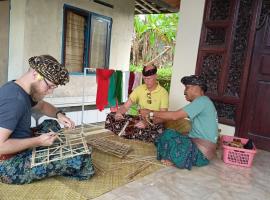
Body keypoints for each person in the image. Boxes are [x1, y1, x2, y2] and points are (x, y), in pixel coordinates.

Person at [0, 55, 94, 184]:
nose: (50, 92)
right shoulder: (14, 100)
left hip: (19, 144)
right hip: (7, 165)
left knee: (51, 123)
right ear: (35, 74)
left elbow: (42, 106)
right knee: (82, 157)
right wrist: (38, 141)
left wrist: (59, 115)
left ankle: (52, 155)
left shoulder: (20, 89)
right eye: (49, 86)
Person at [140, 75, 218, 169]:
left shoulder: (202, 101)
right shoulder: (204, 102)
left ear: (198, 88)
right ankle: (175, 156)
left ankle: (174, 158)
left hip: (202, 154)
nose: (185, 92)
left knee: (168, 134)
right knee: (172, 134)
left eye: (187, 88)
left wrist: (150, 112)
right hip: (203, 151)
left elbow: (175, 116)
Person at [105, 65, 169, 142]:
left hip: (154, 122)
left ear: (155, 76)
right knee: (111, 116)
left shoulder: (163, 93)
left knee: (149, 130)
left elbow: (163, 117)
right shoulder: (139, 89)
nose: (146, 81)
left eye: (149, 78)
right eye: (145, 78)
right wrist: (119, 113)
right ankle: (128, 134)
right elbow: (125, 106)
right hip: (140, 119)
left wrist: (147, 122)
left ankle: (131, 134)